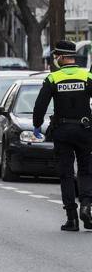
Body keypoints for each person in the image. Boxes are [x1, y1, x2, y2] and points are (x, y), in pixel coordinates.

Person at [33, 40, 92, 232]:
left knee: (66, 173)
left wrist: (36, 124)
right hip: (85, 130)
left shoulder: (53, 78)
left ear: (61, 56)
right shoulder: (87, 75)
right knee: (86, 170)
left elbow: (40, 105)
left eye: (56, 56)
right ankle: (86, 206)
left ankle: (72, 218)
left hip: (63, 131)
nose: (55, 59)